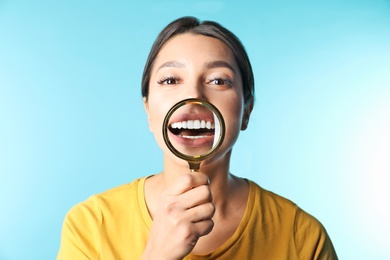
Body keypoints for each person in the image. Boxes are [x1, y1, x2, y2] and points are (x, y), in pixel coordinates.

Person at [57, 16, 338, 259]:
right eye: (170, 80)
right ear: (148, 111)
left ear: (246, 111)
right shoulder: (89, 226)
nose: (193, 97)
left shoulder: (302, 237)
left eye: (218, 80)